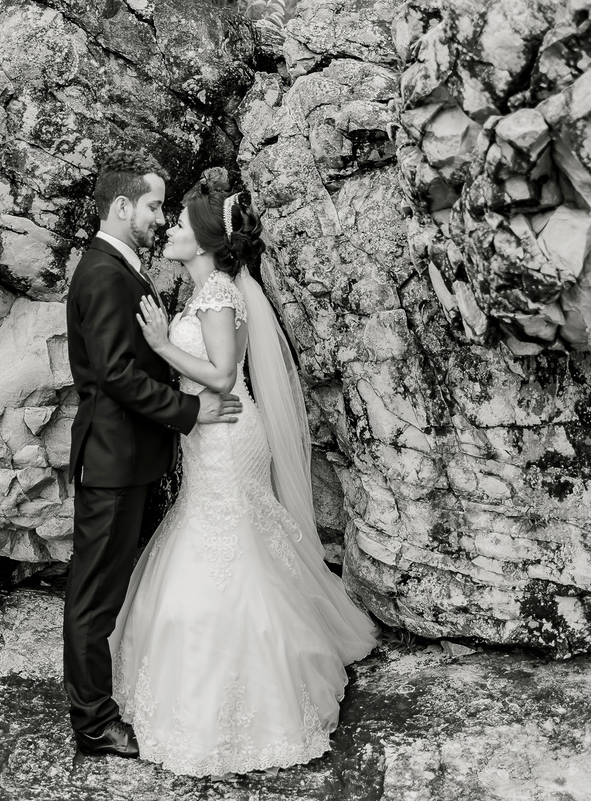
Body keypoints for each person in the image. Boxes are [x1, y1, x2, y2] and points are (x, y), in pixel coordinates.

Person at [108, 168, 379, 777]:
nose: (170, 230)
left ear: (202, 243)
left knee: (228, 540)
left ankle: (259, 690)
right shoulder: (208, 289)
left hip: (226, 431)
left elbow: (225, 374)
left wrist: (159, 347)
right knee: (231, 532)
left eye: (177, 224)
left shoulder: (218, 293)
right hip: (215, 433)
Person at [64, 152, 244, 758]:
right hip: (111, 461)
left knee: (107, 592)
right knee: (93, 598)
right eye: (152, 206)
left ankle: (99, 704)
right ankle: (92, 723)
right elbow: (115, 373)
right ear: (121, 207)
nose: (159, 218)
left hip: (130, 457)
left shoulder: (122, 268)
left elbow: (141, 360)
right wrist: (190, 412)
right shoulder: (104, 273)